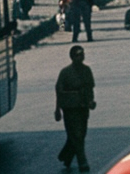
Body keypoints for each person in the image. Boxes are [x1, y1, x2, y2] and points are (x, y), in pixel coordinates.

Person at [54, 45, 96, 173]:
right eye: (77, 54)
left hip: (83, 107)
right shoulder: (65, 72)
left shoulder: (87, 70)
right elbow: (59, 91)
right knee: (76, 135)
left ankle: (66, 156)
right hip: (70, 108)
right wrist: (58, 109)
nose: (80, 57)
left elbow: (90, 88)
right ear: (72, 57)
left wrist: (91, 101)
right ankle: (82, 161)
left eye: (82, 54)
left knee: (81, 134)